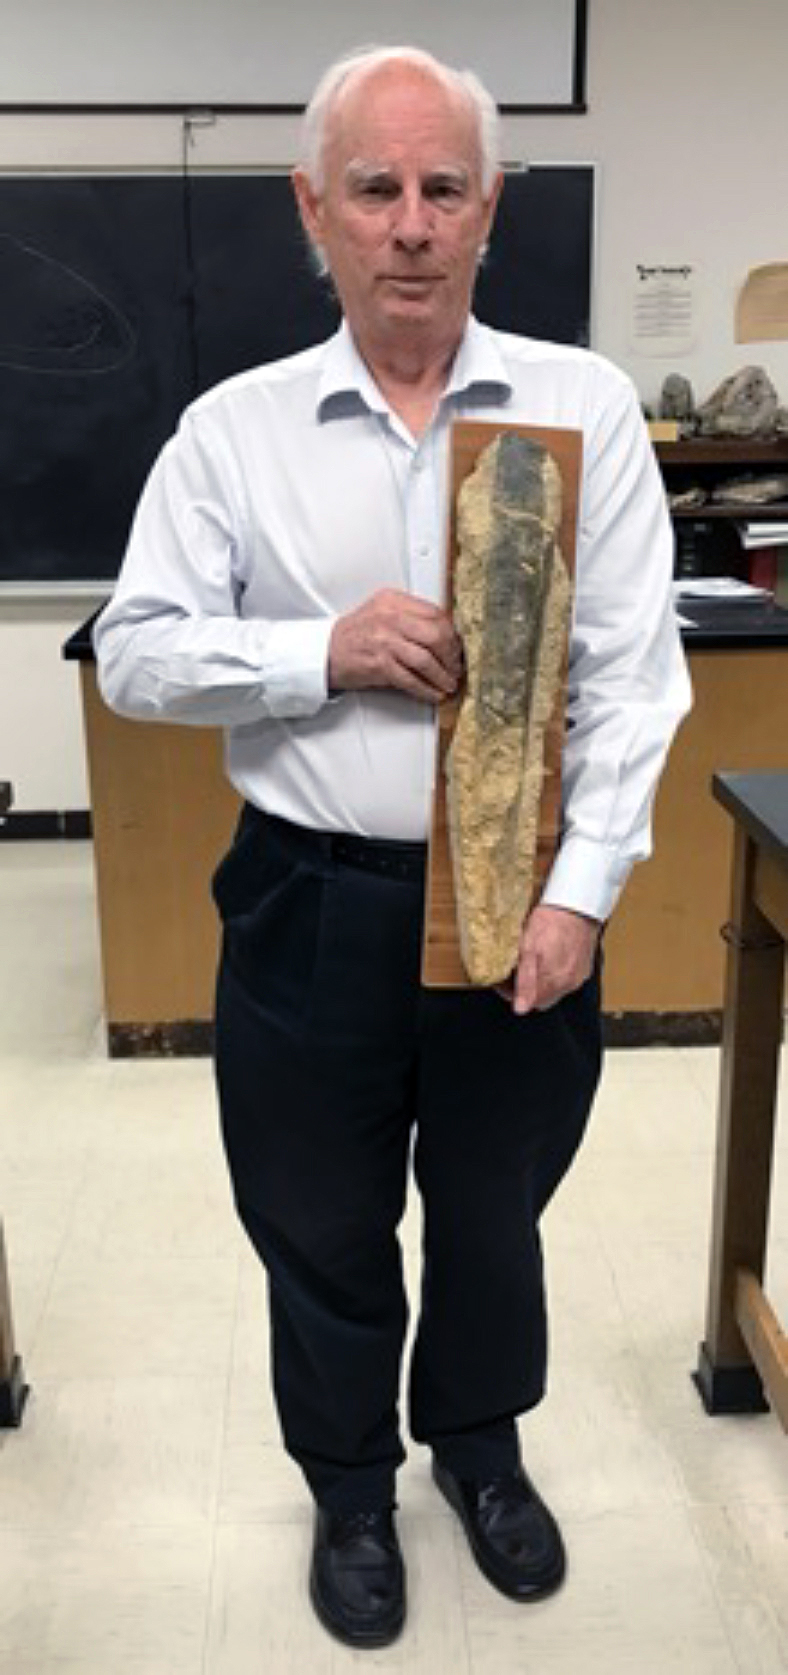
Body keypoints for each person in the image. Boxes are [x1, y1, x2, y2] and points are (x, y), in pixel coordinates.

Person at [94, 43, 691, 1650]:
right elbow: (138, 647)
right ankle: (352, 1487)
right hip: (308, 900)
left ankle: (481, 1456)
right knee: (318, 1217)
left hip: (517, 905)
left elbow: (638, 682)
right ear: (317, 209)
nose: (411, 222)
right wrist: (319, 652)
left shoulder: (584, 411)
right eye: (377, 188)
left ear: (489, 210)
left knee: (494, 1211)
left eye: (443, 188)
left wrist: (582, 893)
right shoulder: (236, 432)